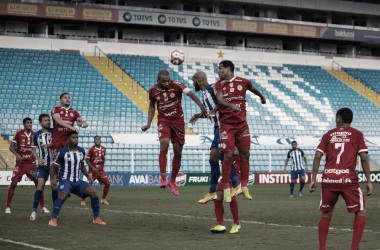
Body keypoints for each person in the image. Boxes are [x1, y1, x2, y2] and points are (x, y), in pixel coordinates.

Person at [309, 108, 373, 250]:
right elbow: (363, 157)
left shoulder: (328, 135)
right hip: (348, 179)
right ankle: (354, 248)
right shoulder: (357, 134)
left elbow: (317, 156)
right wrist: (368, 181)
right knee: (360, 212)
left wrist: (313, 179)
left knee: (326, 213)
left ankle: (322, 248)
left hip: (329, 179)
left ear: (339, 119)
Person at [141, 70, 206, 196]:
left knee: (178, 152)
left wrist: (202, 107)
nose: (167, 83)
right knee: (164, 145)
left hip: (178, 121)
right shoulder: (153, 90)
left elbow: (191, 94)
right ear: (158, 81)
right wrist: (149, 123)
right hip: (164, 120)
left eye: (168, 80)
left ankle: (172, 180)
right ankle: (163, 178)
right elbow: (151, 106)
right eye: (164, 81)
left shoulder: (177, 85)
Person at [214, 60, 266, 202]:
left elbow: (253, 89)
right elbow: (220, 99)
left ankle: (244, 187)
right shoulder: (218, 84)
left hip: (242, 125)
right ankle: (226, 189)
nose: (218, 71)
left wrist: (261, 97)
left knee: (245, 153)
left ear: (228, 69)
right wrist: (231, 105)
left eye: (220, 68)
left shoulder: (244, 82)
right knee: (228, 155)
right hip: (227, 125)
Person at [190, 71, 240, 204]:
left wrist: (215, 110)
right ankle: (212, 193)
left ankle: (236, 186)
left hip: (222, 125)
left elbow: (224, 101)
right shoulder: (204, 92)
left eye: (193, 80)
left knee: (224, 156)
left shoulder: (212, 88)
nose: (192, 83)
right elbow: (210, 112)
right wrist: (199, 115)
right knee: (213, 157)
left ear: (199, 80)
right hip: (216, 128)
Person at [48, 131, 106, 226]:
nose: (76, 139)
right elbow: (52, 166)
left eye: (77, 137)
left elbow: (82, 166)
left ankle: (96, 218)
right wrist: (51, 179)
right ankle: (53, 219)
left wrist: (88, 176)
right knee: (63, 195)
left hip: (77, 181)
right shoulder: (62, 152)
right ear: (68, 140)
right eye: (73, 137)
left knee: (93, 193)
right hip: (65, 180)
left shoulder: (81, 151)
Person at [5, 117, 49, 214]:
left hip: (31, 164)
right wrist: (16, 155)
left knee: (39, 184)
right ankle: (7, 207)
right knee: (14, 182)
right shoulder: (18, 133)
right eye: (27, 123)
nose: (29, 124)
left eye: (31, 123)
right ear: (24, 124)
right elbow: (11, 146)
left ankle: (43, 207)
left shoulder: (35, 134)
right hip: (20, 164)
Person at [30, 114, 58, 220]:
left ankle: (55, 211)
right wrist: (38, 159)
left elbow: (59, 143)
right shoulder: (36, 135)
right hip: (43, 166)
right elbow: (33, 150)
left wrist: (50, 145)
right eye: (45, 121)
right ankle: (34, 211)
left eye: (48, 120)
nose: (48, 122)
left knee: (54, 186)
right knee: (40, 185)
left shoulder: (55, 132)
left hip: (53, 165)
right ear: (40, 123)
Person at [211, 147, 241, 234]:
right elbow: (217, 154)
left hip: (236, 174)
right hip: (226, 174)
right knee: (218, 196)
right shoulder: (224, 143)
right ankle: (220, 224)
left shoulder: (237, 142)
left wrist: (223, 149)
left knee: (231, 196)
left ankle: (236, 223)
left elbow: (235, 152)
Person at [81, 136, 110, 206]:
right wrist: (92, 168)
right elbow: (87, 159)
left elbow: (103, 158)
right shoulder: (91, 149)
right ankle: (83, 200)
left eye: (98, 139)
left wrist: (102, 167)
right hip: (92, 171)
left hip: (100, 171)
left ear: (100, 140)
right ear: (94, 141)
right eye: (96, 139)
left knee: (107, 183)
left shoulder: (103, 148)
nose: (97, 140)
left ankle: (103, 199)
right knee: (88, 186)